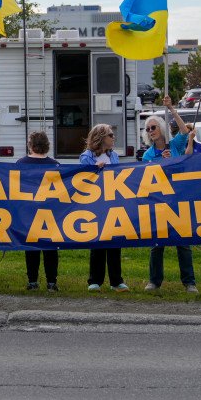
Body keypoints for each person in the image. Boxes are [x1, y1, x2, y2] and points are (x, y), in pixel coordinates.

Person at [141, 96, 198, 293]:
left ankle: (189, 282)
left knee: (183, 243)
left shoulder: (175, 146)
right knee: (157, 244)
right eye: (148, 129)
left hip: (178, 199)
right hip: (159, 201)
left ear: (162, 129)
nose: (151, 131)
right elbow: (147, 178)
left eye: (154, 127)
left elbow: (184, 131)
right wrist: (161, 163)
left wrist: (171, 108)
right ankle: (154, 281)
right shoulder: (148, 155)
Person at [79, 124, 128, 292]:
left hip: (113, 203)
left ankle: (116, 281)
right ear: (101, 137)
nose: (113, 138)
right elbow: (84, 179)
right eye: (110, 135)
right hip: (96, 204)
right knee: (98, 242)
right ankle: (95, 281)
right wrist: (95, 171)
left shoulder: (114, 156)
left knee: (115, 242)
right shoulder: (86, 157)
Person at [14, 131, 62, 290]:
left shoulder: (21, 163)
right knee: (50, 248)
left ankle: (32, 282)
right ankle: (51, 283)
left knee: (31, 248)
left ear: (30, 144)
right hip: (50, 213)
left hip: (28, 212)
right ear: (47, 145)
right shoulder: (55, 164)